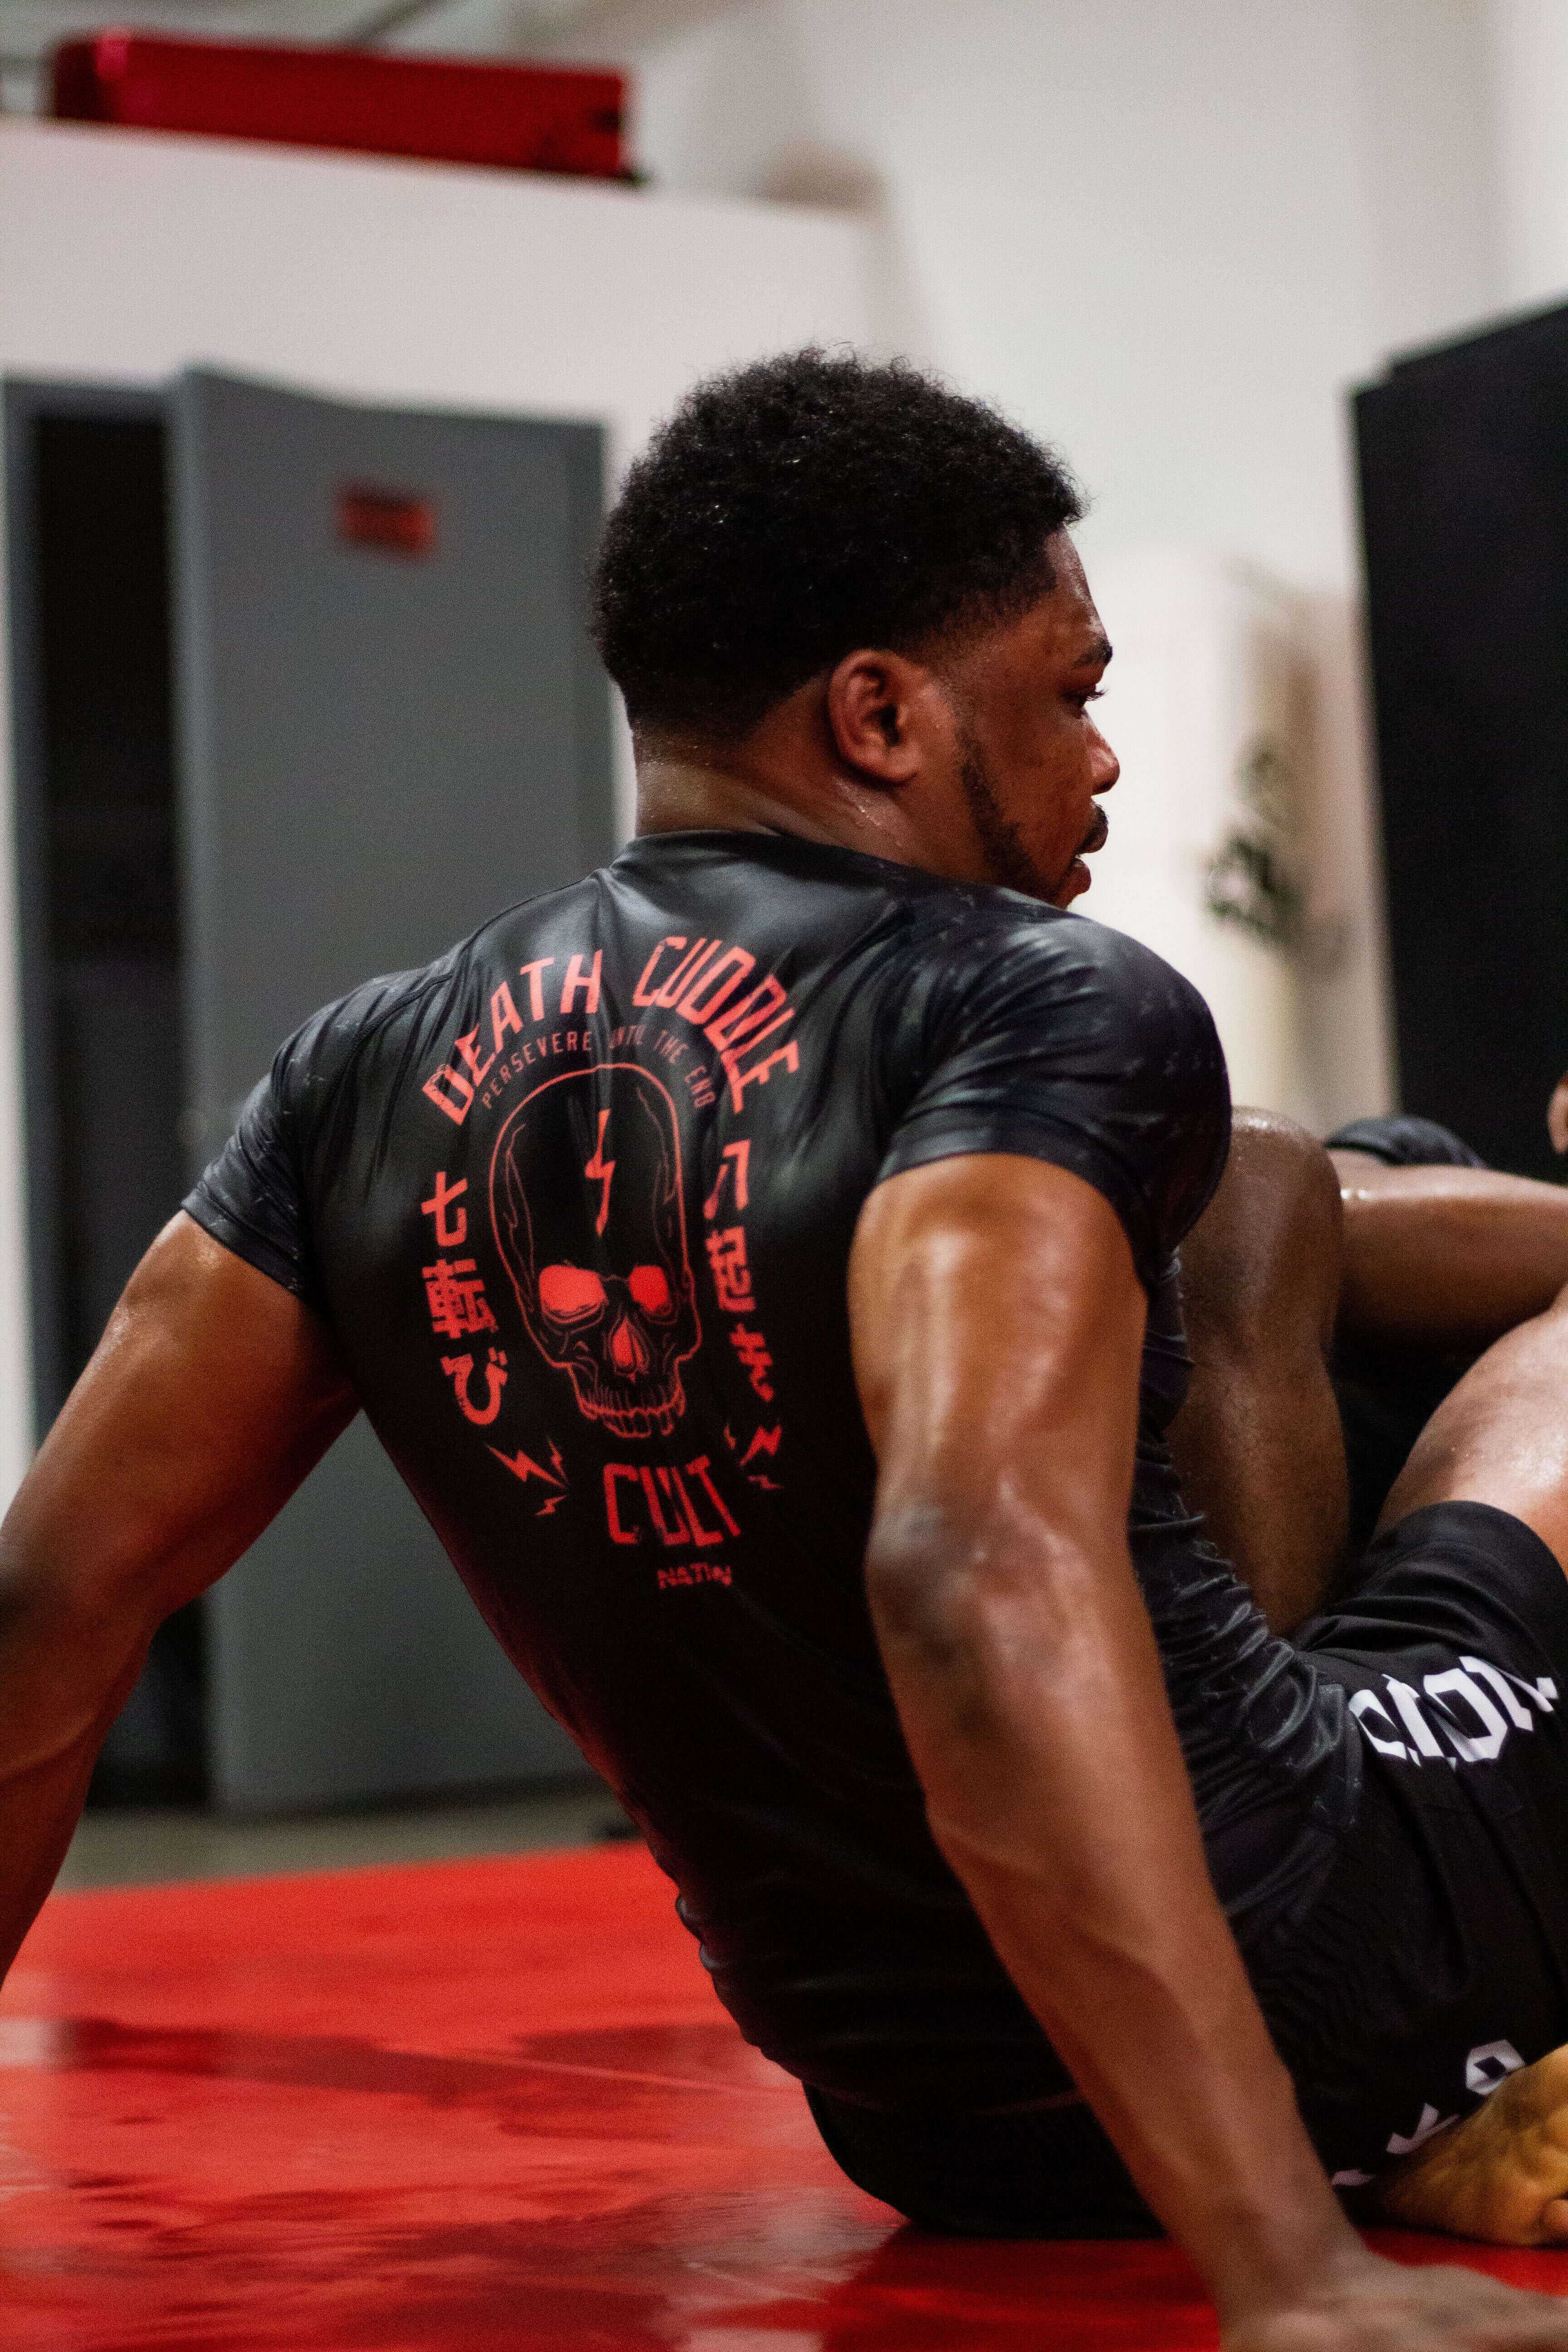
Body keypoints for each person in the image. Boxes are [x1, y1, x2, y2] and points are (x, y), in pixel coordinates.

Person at [2, 349, 1568, 2352]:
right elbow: (965, 1573)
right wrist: (1288, 2270)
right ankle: (1434, 2091)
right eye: (1072, 695)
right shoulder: (1037, 999)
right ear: (881, 713)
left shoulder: (360, 1074)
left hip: (927, 2123)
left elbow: (48, 1597)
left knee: (1298, 1185)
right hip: (1326, 2008)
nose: (1105, 762)